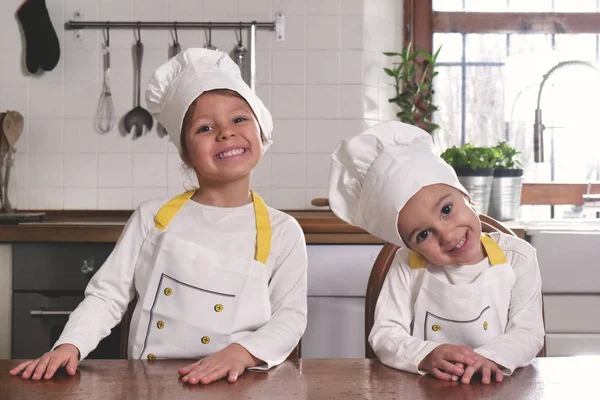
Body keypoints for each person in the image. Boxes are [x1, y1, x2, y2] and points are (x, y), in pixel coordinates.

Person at [9, 48, 308, 385]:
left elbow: (290, 318)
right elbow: (107, 296)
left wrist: (241, 352)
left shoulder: (283, 231)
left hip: (240, 384)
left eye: (239, 119)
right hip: (151, 385)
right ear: (186, 154)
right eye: (205, 128)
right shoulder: (152, 218)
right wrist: (70, 345)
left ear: (261, 129)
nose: (226, 133)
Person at [328, 121, 544, 384]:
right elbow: (385, 333)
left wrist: (489, 358)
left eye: (446, 210)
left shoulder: (518, 257)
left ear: (467, 196)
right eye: (423, 234)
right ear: (410, 247)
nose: (448, 235)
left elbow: (528, 332)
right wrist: (426, 354)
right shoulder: (406, 265)